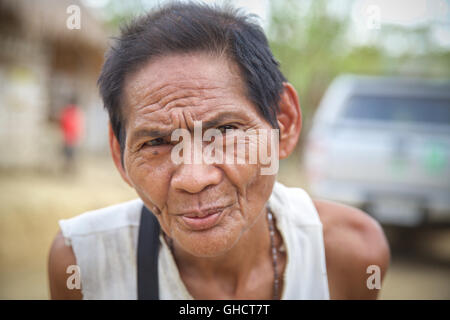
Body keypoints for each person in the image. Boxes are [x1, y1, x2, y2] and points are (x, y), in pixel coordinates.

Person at [48, 2, 390, 300]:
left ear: (283, 123)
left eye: (225, 131)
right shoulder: (84, 261)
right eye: (156, 142)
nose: (194, 179)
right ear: (119, 153)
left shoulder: (348, 254)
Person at [59, 99, 83, 172]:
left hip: (69, 138)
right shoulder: (77, 112)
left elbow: (63, 124)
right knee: (70, 156)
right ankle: (70, 170)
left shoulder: (68, 112)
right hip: (72, 138)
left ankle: (69, 170)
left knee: (69, 156)